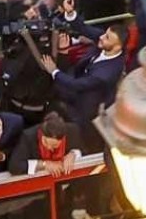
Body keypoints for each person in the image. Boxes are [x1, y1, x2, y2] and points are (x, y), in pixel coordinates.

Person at [41, 21, 127, 151]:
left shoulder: (105, 74)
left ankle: (88, 149)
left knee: (84, 129)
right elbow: (83, 27)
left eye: (107, 37)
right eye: (105, 33)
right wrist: (70, 14)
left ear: (117, 47)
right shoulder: (104, 41)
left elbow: (76, 85)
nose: (102, 37)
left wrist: (54, 71)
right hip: (79, 82)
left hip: (88, 104)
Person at [8, 112, 84, 176]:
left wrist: (73, 154)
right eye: (46, 142)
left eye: (54, 146)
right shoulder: (28, 137)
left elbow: (85, 149)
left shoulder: (73, 130)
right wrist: (44, 164)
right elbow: (14, 166)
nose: (49, 147)